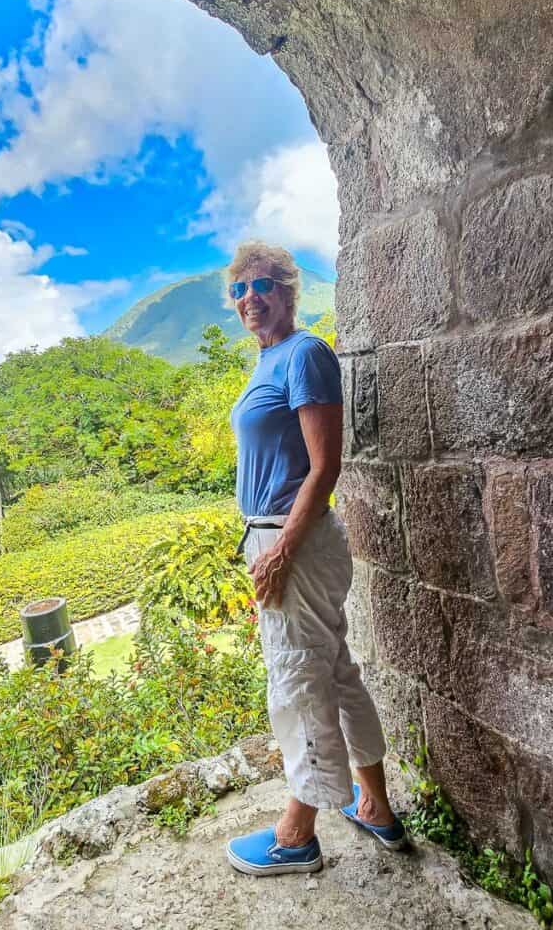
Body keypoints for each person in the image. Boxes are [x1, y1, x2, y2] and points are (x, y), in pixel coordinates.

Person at [223, 240, 406, 877]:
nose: (251, 298)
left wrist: (279, 553)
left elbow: (324, 466)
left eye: (263, 284)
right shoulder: (269, 360)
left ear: (289, 290)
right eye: (239, 290)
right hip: (279, 536)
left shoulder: (304, 354)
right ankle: (375, 805)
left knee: (298, 682)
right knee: (333, 673)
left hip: (291, 541)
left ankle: (296, 834)